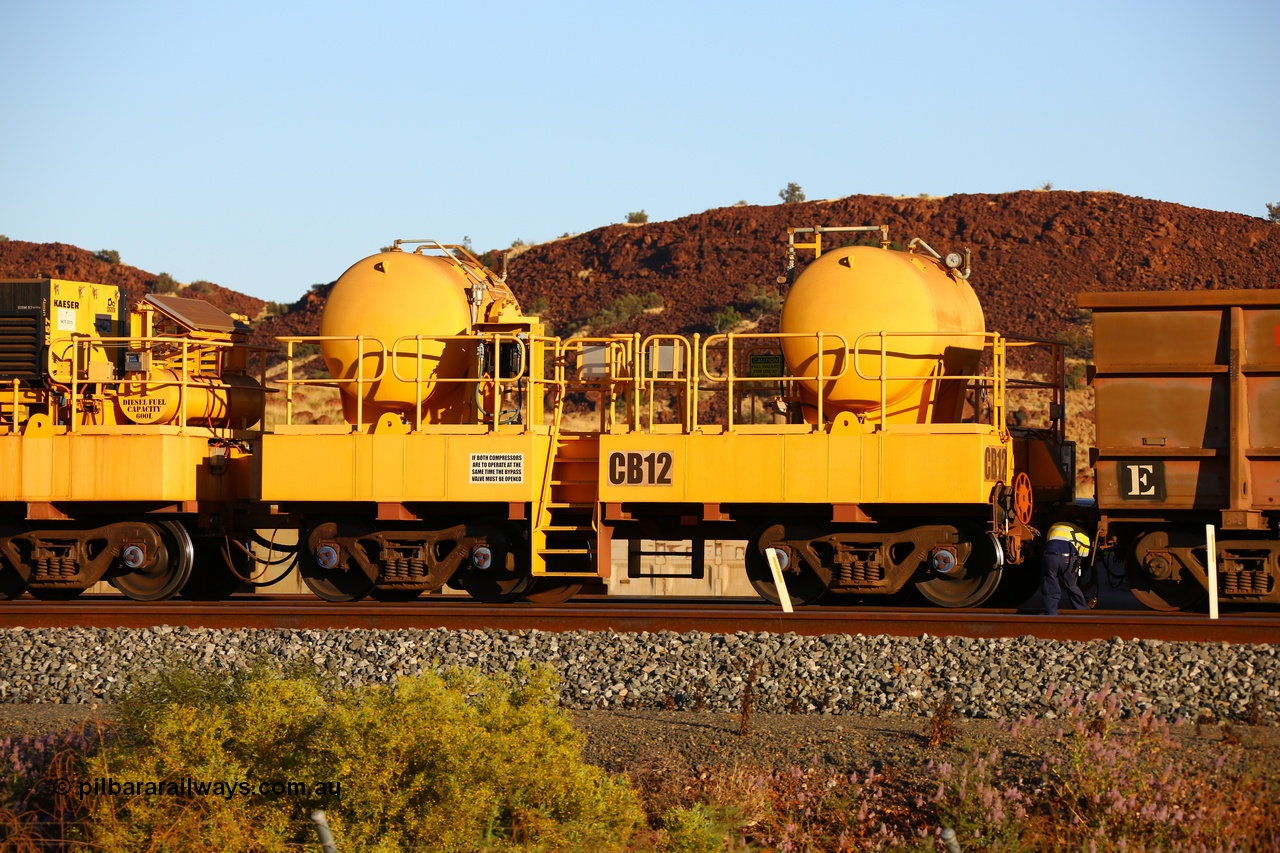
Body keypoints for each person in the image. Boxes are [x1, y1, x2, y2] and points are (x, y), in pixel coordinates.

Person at [1041, 520, 1092, 615]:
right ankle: (1083, 613)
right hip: (1067, 558)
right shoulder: (1083, 534)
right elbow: (1083, 558)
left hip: (1050, 557)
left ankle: (1050, 614)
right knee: (1072, 585)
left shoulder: (1055, 525)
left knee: (1050, 585)